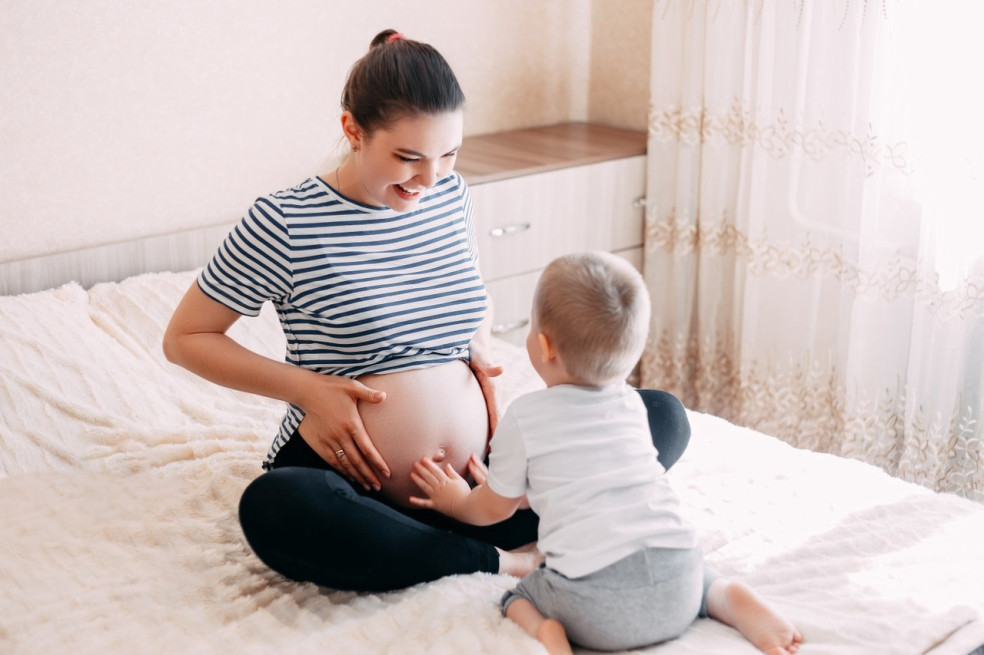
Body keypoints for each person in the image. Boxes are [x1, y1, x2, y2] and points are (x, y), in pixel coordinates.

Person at [162, 29, 692, 592]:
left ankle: (450, 540)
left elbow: (464, 293)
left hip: (481, 489)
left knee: (660, 415)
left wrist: (479, 341)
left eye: (449, 154)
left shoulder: (449, 194)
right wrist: (308, 389)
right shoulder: (286, 222)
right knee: (276, 507)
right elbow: (187, 338)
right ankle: (497, 558)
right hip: (356, 479)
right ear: (353, 130)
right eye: (408, 158)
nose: (430, 178)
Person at [410, 251, 803, 654]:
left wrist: (455, 501)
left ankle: (549, 635)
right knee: (700, 577)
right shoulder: (631, 405)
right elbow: (591, 470)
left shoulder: (526, 416)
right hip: (679, 582)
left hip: (597, 610)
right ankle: (730, 599)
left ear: (545, 346)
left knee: (519, 598)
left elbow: (495, 509)